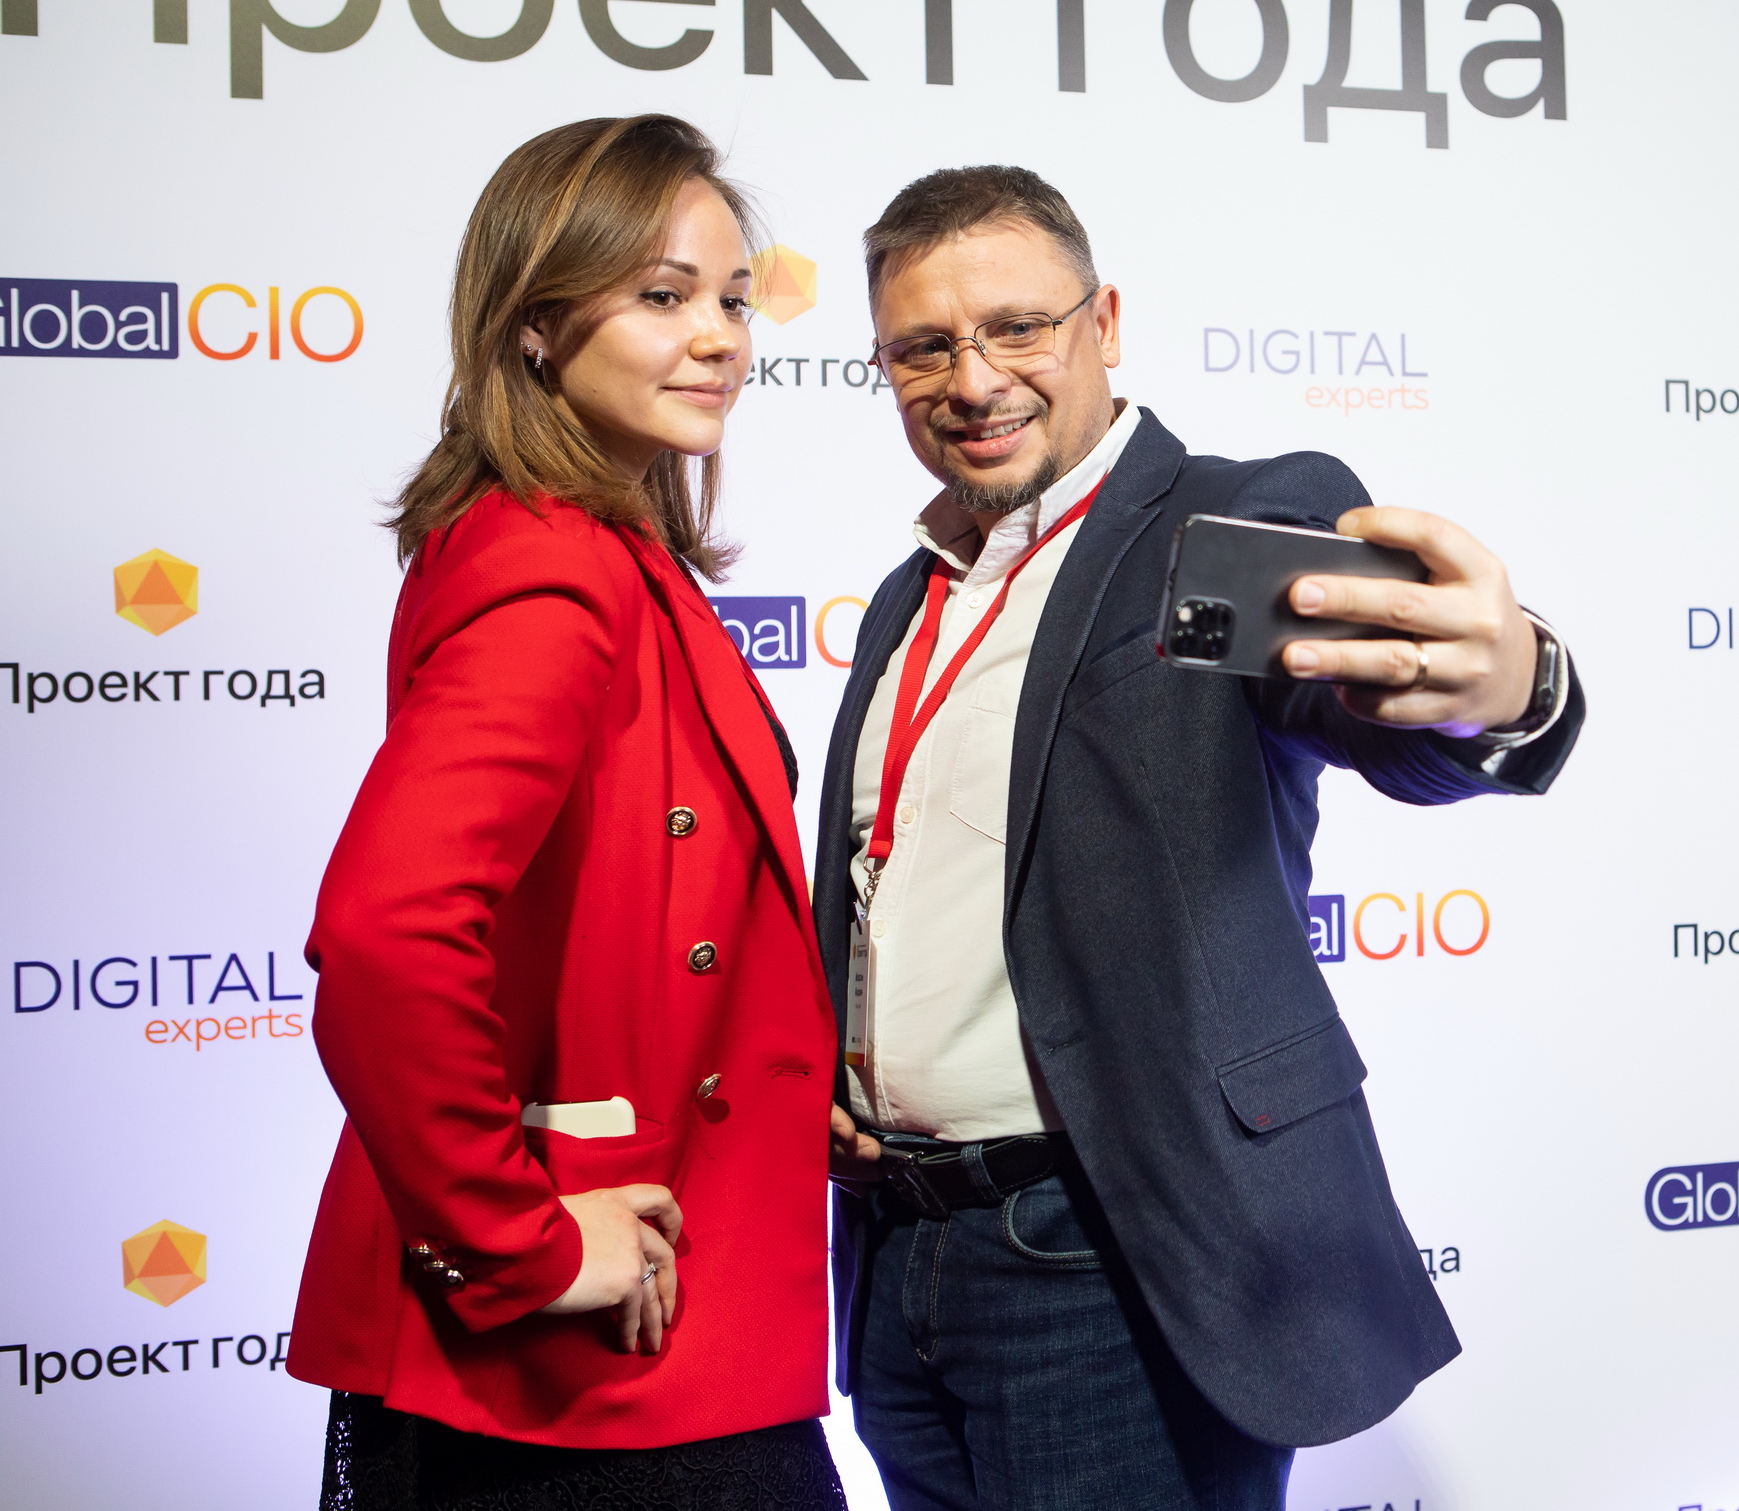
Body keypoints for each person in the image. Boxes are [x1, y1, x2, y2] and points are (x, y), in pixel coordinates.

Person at [817, 166, 1584, 1509]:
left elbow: (1378, 695)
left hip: (1113, 1258)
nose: (973, 379)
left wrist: (1512, 683)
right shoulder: (906, 595)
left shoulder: (1228, 530)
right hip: (899, 1263)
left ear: (1105, 322)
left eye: (1017, 327)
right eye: (925, 346)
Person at [287, 115, 846, 1510]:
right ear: (534, 325)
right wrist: (518, 1241)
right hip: (595, 1361)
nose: (718, 337)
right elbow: (387, 934)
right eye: (662, 294)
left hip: (656, 1313)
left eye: (733, 299)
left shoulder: (598, 549)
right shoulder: (552, 568)